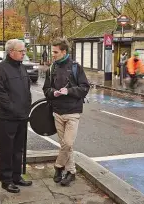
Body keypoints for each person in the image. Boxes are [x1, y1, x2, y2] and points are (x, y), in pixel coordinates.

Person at [43, 38, 90, 187]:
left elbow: (84, 88)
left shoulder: (76, 67)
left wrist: (68, 91)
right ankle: (71, 172)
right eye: (53, 52)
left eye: (55, 52)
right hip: (57, 112)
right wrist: (53, 93)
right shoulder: (52, 68)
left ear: (64, 51)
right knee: (66, 146)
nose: (53, 55)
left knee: (68, 143)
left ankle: (58, 167)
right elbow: (46, 90)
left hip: (73, 112)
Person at [0, 39, 33, 194]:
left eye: (24, 51)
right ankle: (6, 180)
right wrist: (13, 109)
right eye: (21, 51)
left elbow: (27, 90)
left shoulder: (21, 68)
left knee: (18, 149)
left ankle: (17, 176)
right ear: (11, 52)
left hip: (22, 116)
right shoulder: (0, 69)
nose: (24, 53)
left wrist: (27, 107)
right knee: (6, 149)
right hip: (6, 118)